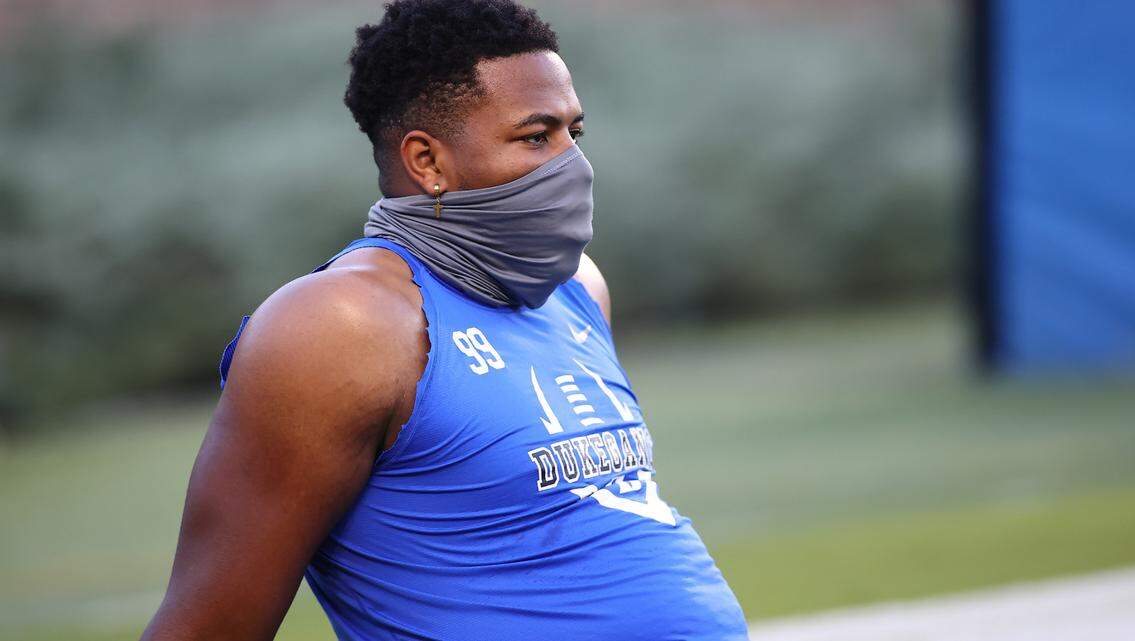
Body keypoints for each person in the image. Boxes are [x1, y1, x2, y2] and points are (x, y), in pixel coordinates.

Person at [140, 1, 749, 639]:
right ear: (427, 162)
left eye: (575, 134)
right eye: (536, 136)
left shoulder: (578, 288)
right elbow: (208, 625)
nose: (574, 165)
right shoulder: (338, 325)